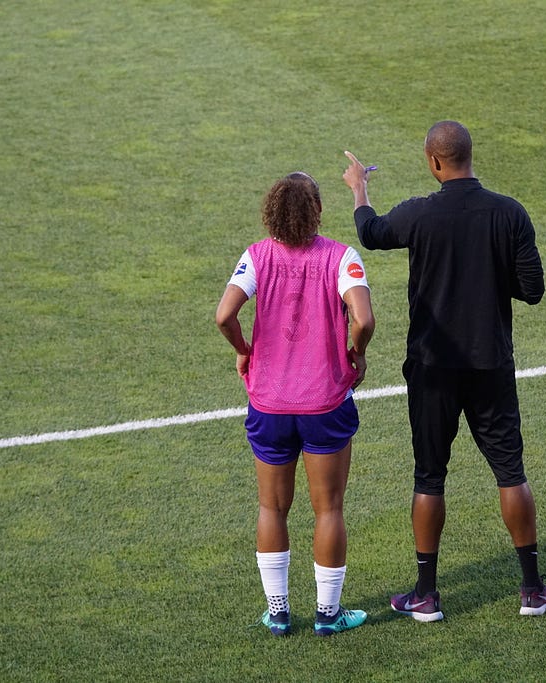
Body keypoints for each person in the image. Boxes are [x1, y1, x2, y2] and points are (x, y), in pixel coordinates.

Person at [342, 121, 546, 621]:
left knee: (429, 476)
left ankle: (426, 595)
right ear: (469, 156)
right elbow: (533, 290)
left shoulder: (421, 213)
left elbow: (371, 234)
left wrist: (359, 188)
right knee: (511, 472)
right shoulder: (510, 214)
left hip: (432, 368)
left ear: (434, 162)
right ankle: (531, 589)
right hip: (490, 366)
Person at [216, 171, 376, 637]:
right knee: (328, 510)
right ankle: (328, 615)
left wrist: (244, 349)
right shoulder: (342, 257)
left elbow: (223, 315)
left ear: (271, 212)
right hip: (326, 402)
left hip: (268, 405)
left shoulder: (256, 256)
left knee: (272, 508)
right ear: (318, 212)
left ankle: (279, 612)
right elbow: (363, 318)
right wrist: (357, 352)